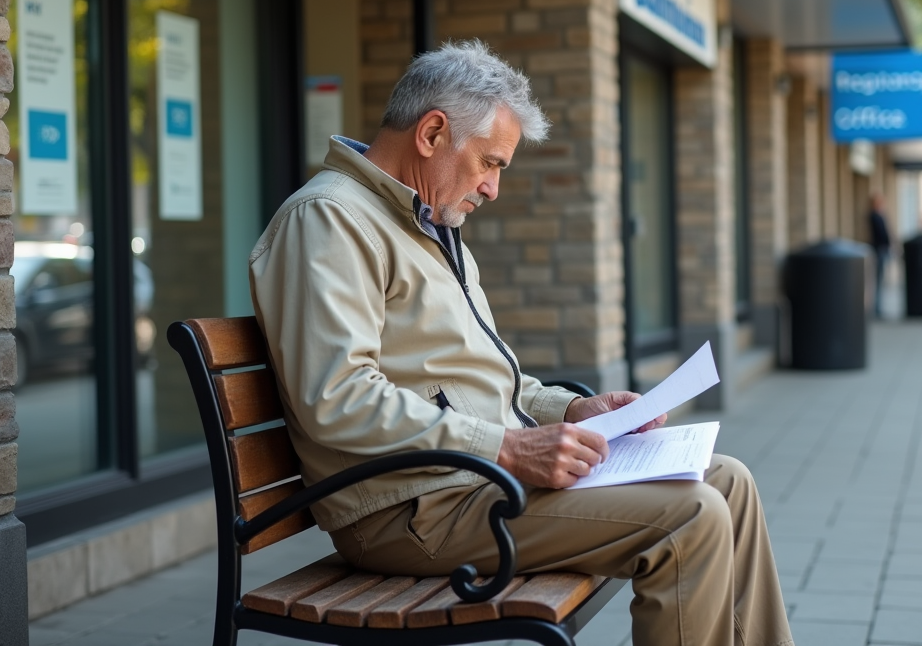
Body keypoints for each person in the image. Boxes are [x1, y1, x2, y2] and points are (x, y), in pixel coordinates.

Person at [249, 40, 794, 646]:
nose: (492, 188)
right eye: (490, 163)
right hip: (412, 509)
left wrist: (570, 410)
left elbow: (480, 378)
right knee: (689, 518)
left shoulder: (427, 225)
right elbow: (338, 397)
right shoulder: (330, 219)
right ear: (432, 133)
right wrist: (506, 447)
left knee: (728, 483)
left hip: (470, 483)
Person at [869, 192, 892, 317]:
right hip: (880, 250)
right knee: (878, 279)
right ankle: (877, 308)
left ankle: (878, 307)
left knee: (881, 279)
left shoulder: (879, 215)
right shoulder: (875, 216)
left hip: (882, 250)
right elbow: (882, 234)